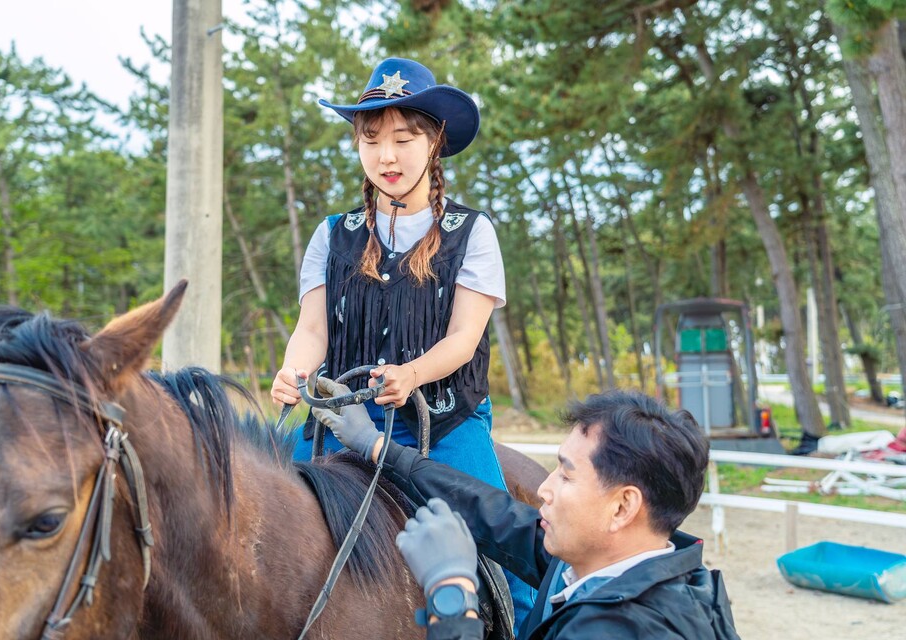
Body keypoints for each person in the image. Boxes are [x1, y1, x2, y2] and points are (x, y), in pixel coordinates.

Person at [268, 57, 536, 627]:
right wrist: (293, 371)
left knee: (515, 554)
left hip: (443, 421)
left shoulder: (473, 232)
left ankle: (526, 625)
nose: (386, 156)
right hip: (339, 419)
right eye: (371, 140)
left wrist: (411, 374)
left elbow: (465, 338)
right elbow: (312, 329)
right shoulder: (331, 235)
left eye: (403, 138)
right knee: (263, 522)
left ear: (434, 141)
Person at [312, 387, 741, 640]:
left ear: (623, 506)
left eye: (568, 477)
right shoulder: (614, 565)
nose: (544, 488)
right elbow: (494, 514)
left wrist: (451, 591)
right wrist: (376, 446)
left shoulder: (619, 630)